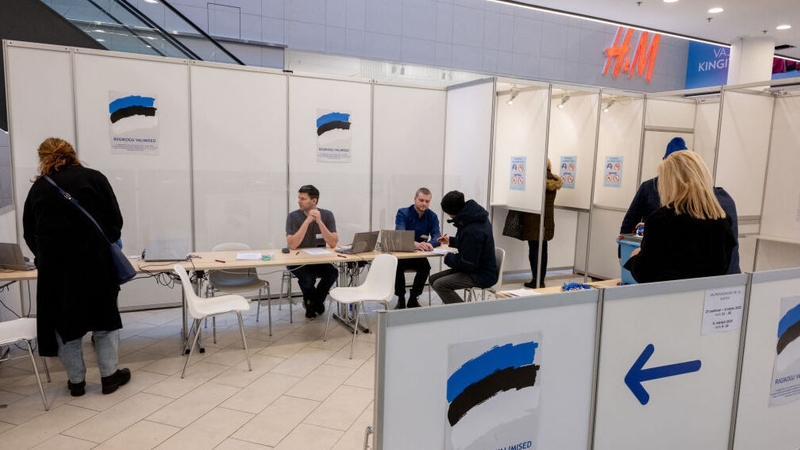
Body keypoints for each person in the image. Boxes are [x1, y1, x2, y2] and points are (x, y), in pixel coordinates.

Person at [22, 138, 130, 397]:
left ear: (42, 158)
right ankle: (109, 377)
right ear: (72, 153)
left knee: (65, 325)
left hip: (57, 271)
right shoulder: (94, 178)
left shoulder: (39, 189)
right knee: (104, 320)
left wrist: (44, 256)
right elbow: (115, 221)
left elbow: (29, 233)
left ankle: (77, 382)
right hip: (96, 264)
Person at [619, 137, 740, 274]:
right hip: (719, 287)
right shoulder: (720, 214)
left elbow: (649, 271)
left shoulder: (663, 219)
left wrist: (636, 256)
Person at [430, 191, 498, 304]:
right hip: (476, 269)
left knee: (440, 285)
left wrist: (448, 257)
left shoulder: (472, 229)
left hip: (481, 274)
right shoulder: (473, 218)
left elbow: (467, 264)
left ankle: (464, 313)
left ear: (452, 212)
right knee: (433, 279)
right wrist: (451, 241)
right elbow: (471, 246)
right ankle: (452, 310)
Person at [286, 184, 339, 319]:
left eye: (303, 198)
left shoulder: (327, 215)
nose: (299, 201)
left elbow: (333, 242)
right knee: (308, 279)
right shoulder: (293, 217)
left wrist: (320, 222)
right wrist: (307, 221)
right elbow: (292, 245)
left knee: (332, 273)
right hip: (297, 261)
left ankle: (314, 301)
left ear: (314, 201)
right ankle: (312, 304)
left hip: (319, 260)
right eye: (299, 198)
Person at [393, 188, 442, 309]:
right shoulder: (403, 213)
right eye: (421, 200)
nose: (424, 203)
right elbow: (400, 234)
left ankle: (413, 298)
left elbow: (437, 236)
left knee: (425, 268)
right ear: (415, 199)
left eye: (427, 201)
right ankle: (401, 298)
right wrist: (416, 244)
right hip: (403, 253)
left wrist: (430, 243)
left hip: (419, 254)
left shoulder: (432, 216)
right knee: (397, 268)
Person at [522, 159, 563, 288]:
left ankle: (536, 280)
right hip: (547, 221)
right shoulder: (552, 181)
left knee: (534, 251)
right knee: (543, 251)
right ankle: (541, 280)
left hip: (534, 221)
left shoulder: (536, 181)